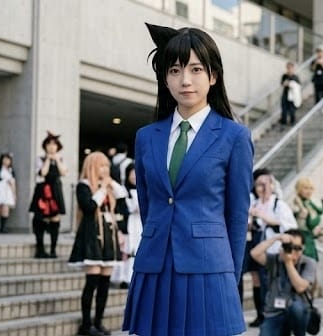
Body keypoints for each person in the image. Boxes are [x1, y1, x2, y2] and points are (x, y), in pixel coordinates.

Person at [122, 23, 254, 336]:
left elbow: (237, 216)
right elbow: (150, 204)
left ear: (213, 76)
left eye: (196, 69)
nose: (185, 80)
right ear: (164, 78)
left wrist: (228, 276)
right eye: (175, 70)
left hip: (208, 270)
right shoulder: (146, 138)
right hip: (153, 266)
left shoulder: (234, 137)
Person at [68, 152, 125, 336]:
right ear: (92, 167)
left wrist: (109, 184)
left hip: (108, 236)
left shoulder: (107, 187)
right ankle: (86, 324)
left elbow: (122, 197)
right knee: (91, 282)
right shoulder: (84, 186)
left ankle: (98, 322)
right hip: (92, 235)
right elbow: (89, 207)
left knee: (105, 283)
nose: (105, 170)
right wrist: (101, 189)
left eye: (107, 166)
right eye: (101, 166)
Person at [249, 168, 299, 326]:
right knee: (258, 281)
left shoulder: (279, 205)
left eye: (266, 183)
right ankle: (262, 314)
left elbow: (291, 226)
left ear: (272, 184)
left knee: (274, 282)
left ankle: (277, 315)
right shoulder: (254, 203)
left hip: (275, 249)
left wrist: (265, 218)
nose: (262, 188)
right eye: (258, 184)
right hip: (257, 248)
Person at [252, 229, 316, 336]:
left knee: (297, 309)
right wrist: (276, 238)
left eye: (297, 248)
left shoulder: (308, 262)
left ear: (303, 248)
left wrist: (288, 263)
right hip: (275, 312)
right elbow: (254, 253)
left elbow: (300, 287)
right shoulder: (275, 259)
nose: (293, 251)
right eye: (290, 247)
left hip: (298, 312)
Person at [29, 132, 67, 259]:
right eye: (49, 144)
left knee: (55, 220)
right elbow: (42, 173)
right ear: (45, 146)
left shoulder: (60, 159)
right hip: (43, 191)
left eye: (54, 144)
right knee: (40, 219)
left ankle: (53, 250)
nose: (51, 147)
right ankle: (40, 249)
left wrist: (56, 159)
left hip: (55, 191)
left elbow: (63, 172)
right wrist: (48, 159)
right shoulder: (40, 159)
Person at [112, 165, 141, 289]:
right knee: (126, 252)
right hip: (127, 225)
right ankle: (123, 278)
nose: (134, 177)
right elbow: (121, 209)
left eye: (136, 174)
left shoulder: (143, 190)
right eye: (132, 174)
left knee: (136, 251)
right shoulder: (122, 190)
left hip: (139, 224)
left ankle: (133, 278)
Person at [280, 62, 300, 127]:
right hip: (285, 94)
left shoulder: (295, 77)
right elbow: (283, 83)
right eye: (288, 68)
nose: (289, 69)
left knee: (292, 110)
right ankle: (283, 123)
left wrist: (289, 83)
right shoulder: (285, 76)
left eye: (290, 68)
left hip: (292, 96)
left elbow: (297, 86)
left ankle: (292, 121)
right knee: (284, 109)